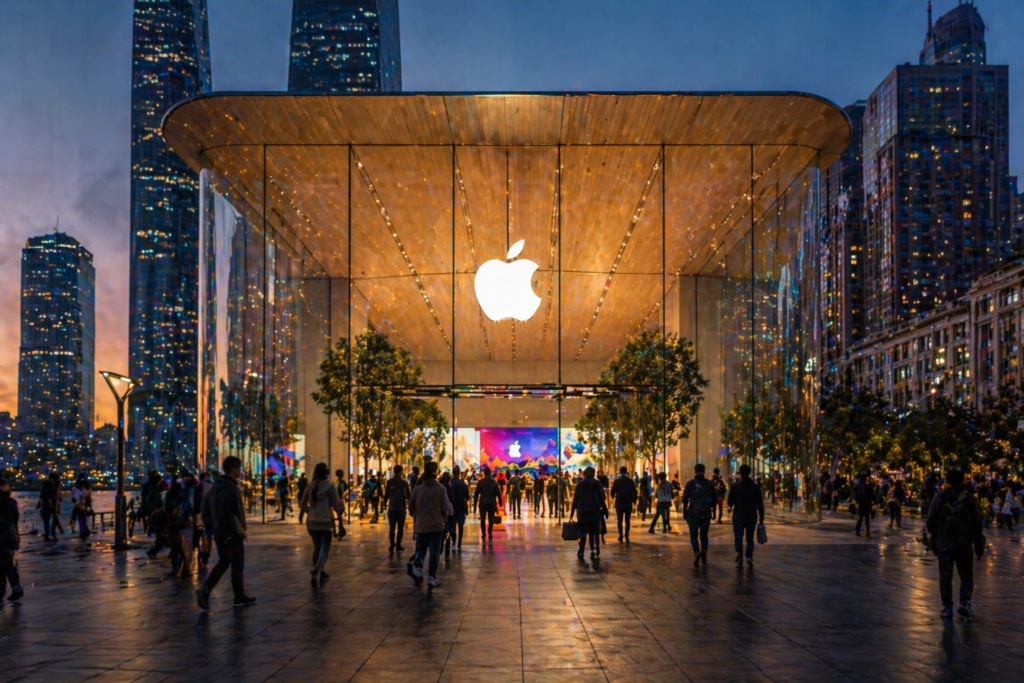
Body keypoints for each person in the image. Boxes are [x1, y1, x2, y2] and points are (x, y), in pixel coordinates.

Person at [196, 456, 255, 611]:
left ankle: (211, 591)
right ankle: (231, 594)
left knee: (224, 562)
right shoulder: (231, 489)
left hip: (220, 532)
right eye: (238, 468)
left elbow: (205, 508)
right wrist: (240, 530)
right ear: (232, 469)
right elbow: (234, 514)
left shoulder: (215, 487)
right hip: (232, 533)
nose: (240, 471)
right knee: (236, 563)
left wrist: (212, 525)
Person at [926, 469, 985, 619]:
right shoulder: (970, 500)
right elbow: (977, 525)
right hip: (964, 544)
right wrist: (978, 546)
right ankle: (965, 603)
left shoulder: (939, 498)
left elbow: (930, 521)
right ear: (962, 481)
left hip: (945, 544)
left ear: (946, 481)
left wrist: (939, 534)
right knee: (966, 574)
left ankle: (947, 607)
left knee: (945, 576)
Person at [407, 461, 452, 588]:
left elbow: (410, 507)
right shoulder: (440, 488)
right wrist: (443, 518)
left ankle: (418, 565)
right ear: (435, 472)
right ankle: (431, 577)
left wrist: (417, 517)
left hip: (421, 525)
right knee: (434, 551)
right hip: (436, 526)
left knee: (421, 549)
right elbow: (445, 508)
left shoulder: (418, 489)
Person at [300, 463, 341, 588]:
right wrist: (339, 506)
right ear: (326, 474)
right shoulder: (330, 486)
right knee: (325, 549)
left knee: (317, 548)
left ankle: (317, 573)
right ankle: (317, 571)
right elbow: (336, 506)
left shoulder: (309, 486)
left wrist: (311, 511)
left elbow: (302, 504)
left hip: (312, 523)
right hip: (326, 522)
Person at [727, 464, 765, 567]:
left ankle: (739, 553)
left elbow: (730, 502)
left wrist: (731, 505)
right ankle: (749, 556)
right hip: (751, 515)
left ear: (740, 473)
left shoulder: (735, 487)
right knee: (750, 538)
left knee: (738, 537)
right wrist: (761, 517)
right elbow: (760, 503)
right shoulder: (755, 487)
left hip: (738, 515)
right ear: (749, 473)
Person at [682, 463, 716, 566]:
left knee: (693, 535)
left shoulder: (690, 484)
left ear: (695, 471)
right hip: (705, 514)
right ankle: (704, 552)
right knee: (704, 535)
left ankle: (696, 552)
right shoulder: (709, 484)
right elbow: (714, 500)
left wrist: (685, 512)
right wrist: (712, 511)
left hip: (693, 514)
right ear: (704, 471)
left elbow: (685, 500)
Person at [571, 467, 608, 560]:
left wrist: (571, 513)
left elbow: (575, 500)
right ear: (594, 473)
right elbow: (602, 498)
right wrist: (605, 510)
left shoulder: (580, 485)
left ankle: (581, 551)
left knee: (582, 532)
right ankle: (595, 550)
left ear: (585, 473)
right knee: (594, 532)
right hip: (595, 512)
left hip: (583, 511)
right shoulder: (597, 484)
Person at [0, 478, 23, 601]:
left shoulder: (5, 502)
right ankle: (16, 588)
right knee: (7, 563)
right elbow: (15, 520)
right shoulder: (12, 502)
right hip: (12, 534)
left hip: (3, 535)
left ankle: (3, 589)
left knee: (3, 563)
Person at [384, 464, 411, 553]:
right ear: (401, 471)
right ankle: (398, 544)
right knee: (400, 528)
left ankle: (392, 544)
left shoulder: (389, 482)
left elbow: (386, 494)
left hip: (392, 508)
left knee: (392, 528)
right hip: (400, 508)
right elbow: (408, 495)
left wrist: (384, 504)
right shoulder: (404, 483)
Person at [610, 466, 638, 543]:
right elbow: (634, 492)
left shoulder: (616, 481)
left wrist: (613, 496)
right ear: (626, 472)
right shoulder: (630, 481)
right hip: (628, 503)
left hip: (619, 503)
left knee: (619, 520)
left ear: (620, 472)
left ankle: (620, 535)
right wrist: (634, 500)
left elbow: (612, 492)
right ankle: (627, 535)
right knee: (627, 520)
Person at [474, 467, 502, 540]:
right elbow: (498, 493)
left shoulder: (480, 482)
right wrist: (500, 501)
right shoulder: (494, 482)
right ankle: (490, 532)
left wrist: (475, 504)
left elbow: (476, 493)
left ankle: (483, 533)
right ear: (490, 473)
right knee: (491, 518)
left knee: (482, 519)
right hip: (491, 503)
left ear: (484, 473)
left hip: (483, 502)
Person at [448, 467, 470, 552]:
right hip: (461, 507)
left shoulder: (449, 483)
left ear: (453, 473)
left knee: (452, 525)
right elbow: (467, 497)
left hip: (452, 507)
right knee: (461, 525)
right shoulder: (462, 484)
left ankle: (453, 541)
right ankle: (459, 543)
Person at [853, 472, 875, 537]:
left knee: (867, 519)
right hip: (861, 503)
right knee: (860, 518)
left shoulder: (870, 485)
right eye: (866, 477)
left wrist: (872, 501)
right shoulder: (860, 484)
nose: (867, 478)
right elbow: (855, 491)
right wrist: (855, 499)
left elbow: (872, 494)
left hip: (867, 503)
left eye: (868, 477)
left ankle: (867, 532)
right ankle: (858, 530)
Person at [333, 469, 349, 538]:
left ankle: (341, 531)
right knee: (339, 517)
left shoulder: (335, 482)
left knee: (339, 517)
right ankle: (341, 531)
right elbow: (346, 491)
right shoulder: (342, 482)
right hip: (341, 501)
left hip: (338, 501)